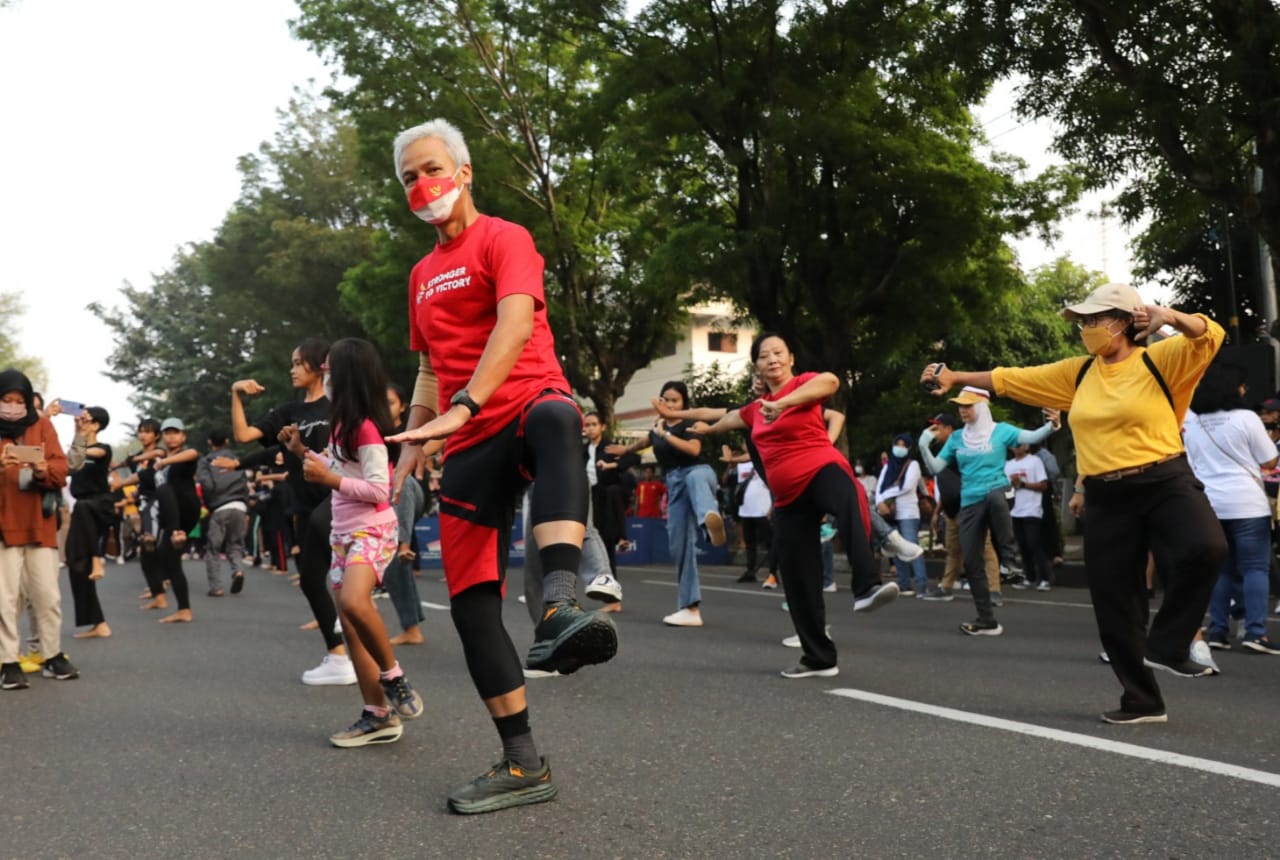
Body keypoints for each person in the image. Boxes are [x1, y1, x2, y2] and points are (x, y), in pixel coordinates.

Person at [387, 117, 617, 813]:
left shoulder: (505, 237)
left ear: (463, 172)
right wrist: (414, 441)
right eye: (407, 177)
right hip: (463, 435)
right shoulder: (421, 275)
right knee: (470, 604)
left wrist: (468, 402)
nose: (421, 185)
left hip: (521, 401)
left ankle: (558, 604)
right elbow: (427, 367)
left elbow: (516, 324)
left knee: (559, 418)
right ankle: (523, 765)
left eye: (431, 168)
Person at [922, 282, 1226, 724]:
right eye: (1083, 321)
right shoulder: (1079, 374)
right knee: (1115, 600)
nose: (1086, 328)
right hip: (1106, 494)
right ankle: (1141, 700)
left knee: (1208, 547)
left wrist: (1171, 317)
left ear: (1124, 321)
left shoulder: (1163, 360)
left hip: (1164, 479)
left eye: (1095, 319)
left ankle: (1170, 644)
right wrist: (955, 378)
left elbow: (1210, 335)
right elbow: (1011, 378)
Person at [682, 332, 899, 679]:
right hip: (787, 497)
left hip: (820, 470)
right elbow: (730, 418)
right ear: (757, 367)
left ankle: (867, 586)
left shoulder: (804, 385)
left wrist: (782, 404)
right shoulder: (755, 409)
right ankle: (818, 658)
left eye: (778, 352)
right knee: (798, 576)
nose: (772, 359)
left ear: (791, 358)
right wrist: (708, 430)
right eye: (764, 355)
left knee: (849, 495)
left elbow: (831, 381)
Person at [284, 338, 425, 747]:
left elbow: (381, 491)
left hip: (372, 529)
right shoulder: (342, 425)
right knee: (350, 626)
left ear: (347, 376)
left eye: (328, 370)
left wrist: (331, 481)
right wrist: (300, 452)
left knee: (353, 603)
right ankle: (377, 714)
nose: (323, 377)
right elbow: (334, 466)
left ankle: (395, 679)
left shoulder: (364, 427)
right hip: (343, 532)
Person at [229, 339, 354, 685]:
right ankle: (339, 658)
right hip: (303, 503)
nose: (292, 369)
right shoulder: (288, 412)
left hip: (341, 500)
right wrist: (235, 393)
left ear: (317, 366)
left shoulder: (340, 405)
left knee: (345, 579)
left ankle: (370, 656)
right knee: (312, 579)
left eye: (298, 363)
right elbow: (243, 434)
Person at [917, 388, 1059, 635]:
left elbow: (1033, 436)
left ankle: (1008, 561)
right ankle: (986, 619)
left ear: (982, 406)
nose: (963, 410)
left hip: (1000, 491)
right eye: (960, 406)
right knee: (972, 561)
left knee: (994, 498)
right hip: (970, 501)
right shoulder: (957, 437)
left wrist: (1052, 425)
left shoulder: (1001, 431)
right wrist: (923, 446)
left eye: (968, 405)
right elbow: (937, 466)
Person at [608, 381, 727, 627]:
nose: (670, 404)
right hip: (674, 484)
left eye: (675, 400)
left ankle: (709, 524)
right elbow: (644, 442)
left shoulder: (690, 423)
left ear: (683, 402)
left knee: (695, 478)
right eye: (666, 400)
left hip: (698, 472)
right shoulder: (657, 427)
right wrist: (626, 449)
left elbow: (694, 450)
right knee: (679, 544)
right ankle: (690, 609)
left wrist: (666, 435)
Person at [1182, 362, 1280, 655]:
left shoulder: (1192, 420)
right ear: (1233, 388)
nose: (1244, 390)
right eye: (1242, 385)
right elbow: (1270, 461)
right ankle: (1255, 632)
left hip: (1208, 503)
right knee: (1254, 569)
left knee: (1220, 571)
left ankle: (1217, 632)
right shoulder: (1246, 418)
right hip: (1247, 503)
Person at [0, 370, 76, 689]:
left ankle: (51, 655)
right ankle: (8, 661)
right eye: (6, 400)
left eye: (20, 401)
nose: (14, 407)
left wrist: (46, 470)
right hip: (3, 523)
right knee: (5, 598)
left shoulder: (41, 424)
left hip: (39, 522)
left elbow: (62, 467)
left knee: (47, 594)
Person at [65, 406, 115, 640]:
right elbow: (67, 465)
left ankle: (98, 559)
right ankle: (98, 622)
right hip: (82, 508)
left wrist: (80, 438)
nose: (82, 423)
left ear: (96, 425)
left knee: (84, 508)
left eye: (87, 420)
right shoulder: (77, 449)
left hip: (99, 505)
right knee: (75, 563)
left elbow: (89, 453)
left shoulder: (102, 449)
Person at [197, 429, 250, 597]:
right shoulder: (235, 460)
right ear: (227, 441)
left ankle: (216, 587)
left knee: (213, 548)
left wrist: (210, 502)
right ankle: (238, 571)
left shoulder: (206, 461)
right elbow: (244, 482)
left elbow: (206, 484)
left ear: (209, 442)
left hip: (220, 507)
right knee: (235, 544)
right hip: (239, 506)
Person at [875, 433, 927, 596]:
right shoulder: (888, 466)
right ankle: (904, 584)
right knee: (896, 547)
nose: (900, 448)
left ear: (909, 448)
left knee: (912, 547)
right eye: (897, 444)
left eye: (904, 445)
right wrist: (879, 502)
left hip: (908, 512)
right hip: (890, 512)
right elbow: (879, 486)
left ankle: (922, 585)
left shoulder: (913, 465)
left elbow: (907, 486)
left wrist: (884, 496)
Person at [1004, 444, 1053, 591]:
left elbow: (1044, 485)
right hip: (1015, 510)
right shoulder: (1008, 465)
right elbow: (1006, 487)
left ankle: (1045, 578)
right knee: (1023, 545)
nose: (1017, 447)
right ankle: (1030, 577)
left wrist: (1023, 484)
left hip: (1032, 508)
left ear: (1026, 446)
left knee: (1033, 543)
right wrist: (1013, 485)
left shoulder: (1035, 461)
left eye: (1020, 444)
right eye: (1013, 444)